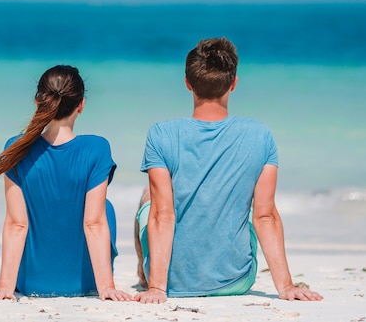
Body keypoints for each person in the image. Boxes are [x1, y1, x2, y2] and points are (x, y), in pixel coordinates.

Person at [134, 38, 323, 304]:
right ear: (234, 83)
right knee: (243, 209)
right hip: (237, 280)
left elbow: (162, 215)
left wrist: (157, 289)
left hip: (172, 282)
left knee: (148, 199)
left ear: (188, 83)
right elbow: (265, 215)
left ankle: (147, 277)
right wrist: (286, 287)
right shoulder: (261, 135)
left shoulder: (161, 135)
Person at [0, 65, 132, 301]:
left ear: (38, 102)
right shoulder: (97, 148)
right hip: (86, 283)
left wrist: (6, 287)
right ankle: (101, 279)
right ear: (81, 105)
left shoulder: (15, 148)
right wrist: (106, 288)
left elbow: (17, 224)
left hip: (30, 283)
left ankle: (9, 278)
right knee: (104, 208)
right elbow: (94, 223)